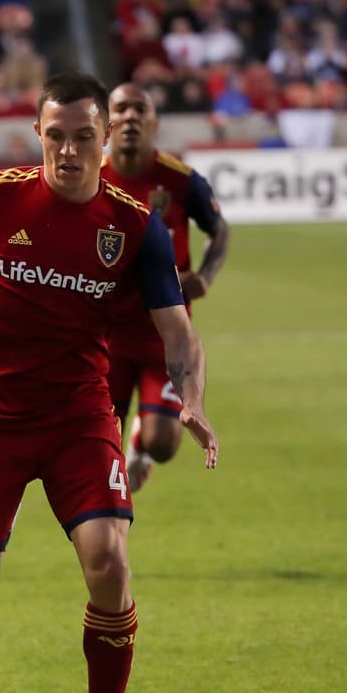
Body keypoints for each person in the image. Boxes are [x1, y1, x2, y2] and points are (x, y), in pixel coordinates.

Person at [0, 72, 218, 693]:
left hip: (79, 418)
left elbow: (179, 334)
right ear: (38, 135)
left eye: (82, 137)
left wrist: (194, 399)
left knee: (109, 559)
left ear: (103, 140)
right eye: (55, 136)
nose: (68, 150)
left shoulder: (134, 226)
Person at [100, 82, 229, 493]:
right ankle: (108, 533)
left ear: (154, 122)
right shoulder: (90, 179)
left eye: (141, 110)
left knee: (163, 444)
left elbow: (219, 229)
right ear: (106, 123)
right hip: (106, 336)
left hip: (165, 335)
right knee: (99, 450)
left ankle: (142, 444)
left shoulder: (181, 180)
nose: (131, 117)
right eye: (121, 109)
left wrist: (205, 276)